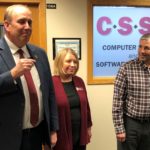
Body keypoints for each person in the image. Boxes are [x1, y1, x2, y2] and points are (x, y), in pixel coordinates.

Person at [0, 4, 59, 150]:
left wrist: (53, 129)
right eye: (21, 21)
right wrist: (12, 74)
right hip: (6, 138)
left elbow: (49, 93)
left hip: (36, 135)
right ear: (7, 25)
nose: (27, 27)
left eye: (30, 22)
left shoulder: (40, 53)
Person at [112, 33, 150, 150]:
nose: (141, 51)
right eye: (140, 46)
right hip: (131, 124)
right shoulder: (126, 68)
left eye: (146, 48)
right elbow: (117, 100)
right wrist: (119, 129)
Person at [52, 48, 92, 150]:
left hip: (79, 134)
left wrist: (88, 128)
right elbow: (48, 112)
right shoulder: (51, 83)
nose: (73, 64)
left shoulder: (79, 81)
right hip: (60, 135)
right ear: (60, 62)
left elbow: (86, 107)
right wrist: (51, 132)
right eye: (68, 61)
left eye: (75, 61)